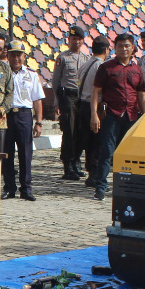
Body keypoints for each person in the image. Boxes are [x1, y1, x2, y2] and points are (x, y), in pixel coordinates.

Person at [89, 33, 145, 200]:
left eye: (127, 46)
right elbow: (96, 92)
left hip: (131, 115)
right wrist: (94, 114)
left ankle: (127, 187)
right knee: (107, 151)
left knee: (130, 154)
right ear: (115, 48)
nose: (124, 49)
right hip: (112, 115)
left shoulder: (137, 69)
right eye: (120, 46)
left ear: (133, 48)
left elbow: (141, 93)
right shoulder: (106, 68)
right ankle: (101, 187)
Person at [3, 40, 44, 201]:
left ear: (24, 56)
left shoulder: (31, 74)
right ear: (8, 55)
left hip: (24, 115)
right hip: (6, 115)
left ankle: (26, 188)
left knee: (25, 154)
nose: (15, 58)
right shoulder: (2, 72)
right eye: (12, 55)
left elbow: (37, 100)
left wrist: (39, 122)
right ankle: (9, 187)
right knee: (7, 153)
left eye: (18, 55)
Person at [51, 26, 91, 181]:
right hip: (67, 97)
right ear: (69, 40)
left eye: (79, 39)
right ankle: (67, 164)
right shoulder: (63, 58)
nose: (77, 41)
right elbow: (55, 81)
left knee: (80, 131)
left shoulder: (86, 58)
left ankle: (76, 160)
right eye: (74, 39)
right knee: (69, 130)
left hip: (81, 97)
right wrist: (56, 101)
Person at [74, 35, 110, 186]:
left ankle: (91, 172)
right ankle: (95, 174)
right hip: (94, 106)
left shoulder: (85, 64)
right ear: (107, 50)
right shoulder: (101, 66)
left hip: (82, 103)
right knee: (97, 141)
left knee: (88, 141)